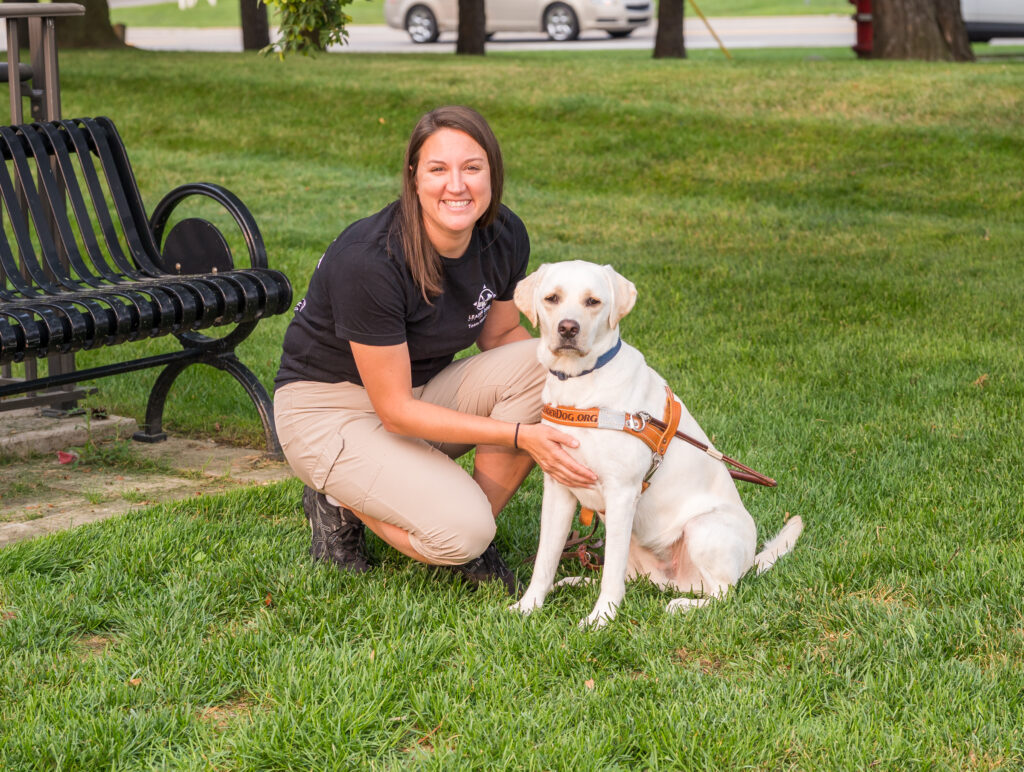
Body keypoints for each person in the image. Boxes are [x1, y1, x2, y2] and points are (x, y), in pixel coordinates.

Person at [273, 105, 595, 593]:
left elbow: (503, 336)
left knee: (547, 367)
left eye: (472, 167)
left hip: (417, 389)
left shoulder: (503, 233)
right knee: (460, 531)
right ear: (413, 178)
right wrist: (519, 435)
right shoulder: (369, 260)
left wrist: (580, 401)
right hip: (326, 408)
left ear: (493, 172)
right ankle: (339, 498)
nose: (457, 186)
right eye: (438, 169)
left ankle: (469, 531)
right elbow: (396, 411)